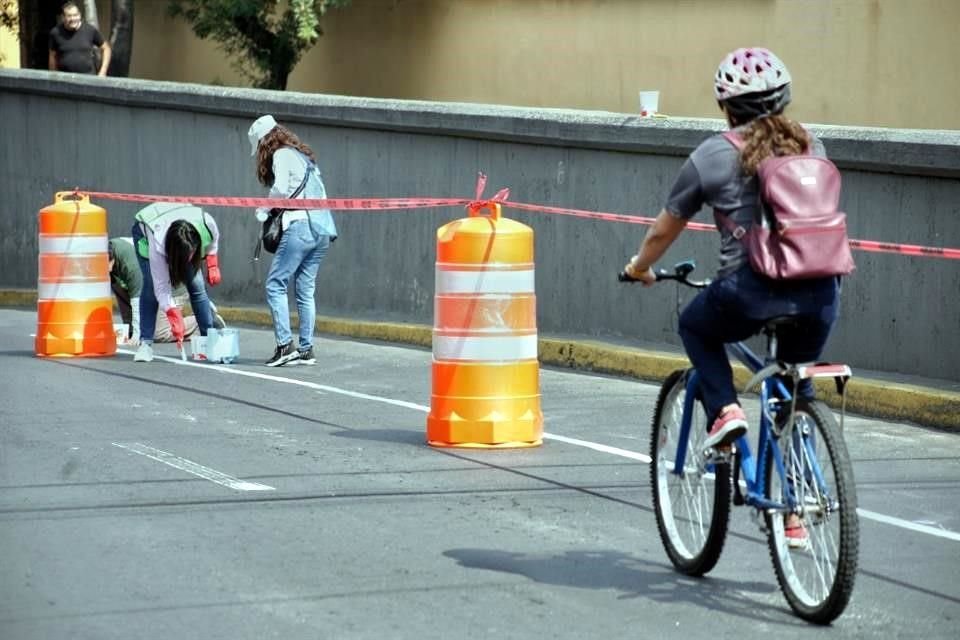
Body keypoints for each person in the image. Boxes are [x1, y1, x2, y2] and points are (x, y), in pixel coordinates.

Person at [623, 48, 840, 544]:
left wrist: (639, 268)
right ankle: (794, 512)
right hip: (821, 293)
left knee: (696, 326)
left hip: (750, 292)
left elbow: (663, 230)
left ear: (726, 107)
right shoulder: (813, 146)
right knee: (794, 391)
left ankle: (725, 411)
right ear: (784, 100)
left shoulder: (713, 154)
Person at [248, 114, 337, 367]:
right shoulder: (304, 157)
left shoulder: (281, 155)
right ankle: (306, 349)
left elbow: (282, 189)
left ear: (264, 141)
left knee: (275, 283)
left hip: (300, 226)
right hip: (322, 229)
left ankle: (284, 345)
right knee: (305, 290)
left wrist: (265, 208)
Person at [130, 203, 222, 362]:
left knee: (197, 286)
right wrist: (172, 312)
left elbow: (214, 238)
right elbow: (161, 288)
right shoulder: (157, 242)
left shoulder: (206, 223)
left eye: (191, 253)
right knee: (151, 285)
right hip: (147, 228)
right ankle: (145, 344)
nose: (186, 261)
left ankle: (208, 339)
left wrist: (212, 262)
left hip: (180, 229)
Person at [108, 236, 224, 345]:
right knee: (118, 284)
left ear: (111, 260)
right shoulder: (106, 250)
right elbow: (124, 294)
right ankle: (200, 330)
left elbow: (137, 298)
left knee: (159, 333)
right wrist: (130, 331)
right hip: (155, 285)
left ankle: (207, 318)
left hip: (173, 286)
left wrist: (138, 335)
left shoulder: (130, 263)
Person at [48, 2, 111, 77]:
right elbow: (52, 56)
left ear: (80, 15)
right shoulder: (56, 32)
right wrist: (53, 76)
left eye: (75, 15)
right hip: (65, 79)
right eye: (69, 16)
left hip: (88, 78)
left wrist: (103, 72)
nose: (73, 19)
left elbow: (106, 49)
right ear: (63, 17)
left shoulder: (89, 30)